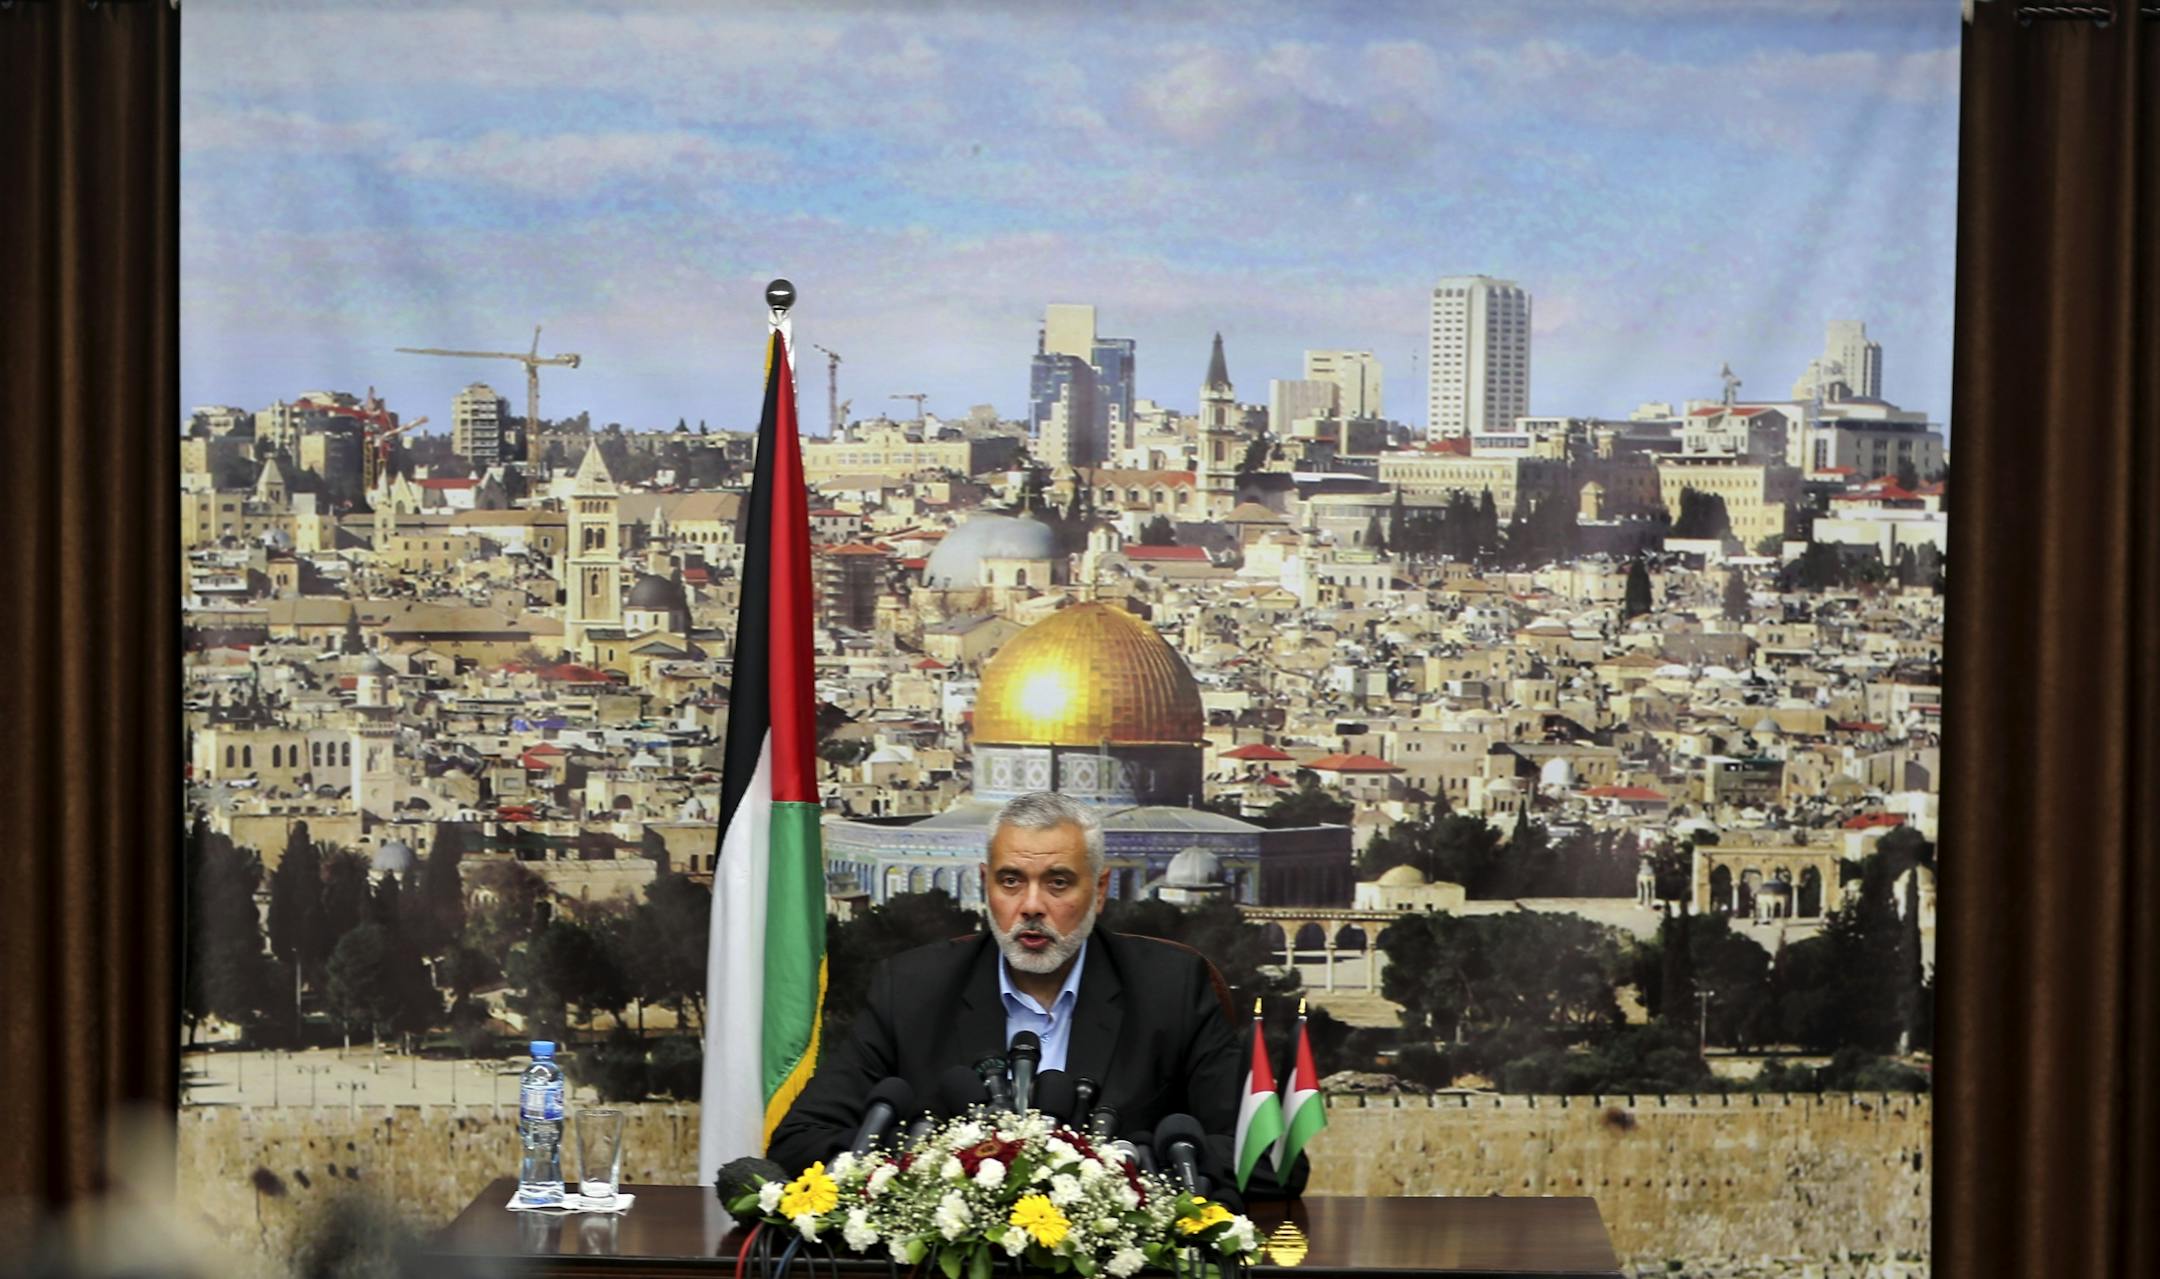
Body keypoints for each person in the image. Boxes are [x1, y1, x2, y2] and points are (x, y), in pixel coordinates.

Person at [766, 791, 1305, 1200]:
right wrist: (940, 1168)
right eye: (1010, 881)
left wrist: (1112, 1170)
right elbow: (800, 1140)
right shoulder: (911, 990)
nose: (1030, 906)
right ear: (985, 886)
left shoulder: (1170, 990)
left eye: (1058, 883)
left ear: (1099, 891)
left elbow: (1272, 1160)